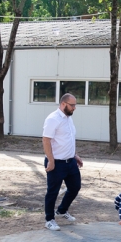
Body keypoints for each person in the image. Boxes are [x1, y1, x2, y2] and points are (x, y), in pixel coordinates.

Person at [42, 93, 83, 231]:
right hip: (56, 163)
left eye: (75, 105)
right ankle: (49, 220)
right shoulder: (53, 119)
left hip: (70, 161)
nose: (74, 108)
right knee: (52, 192)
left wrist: (75, 155)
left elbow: (68, 139)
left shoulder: (68, 118)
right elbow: (46, 140)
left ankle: (62, 210)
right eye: (72, 105)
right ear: (63, 104)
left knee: (75, 187)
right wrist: (51, 161)